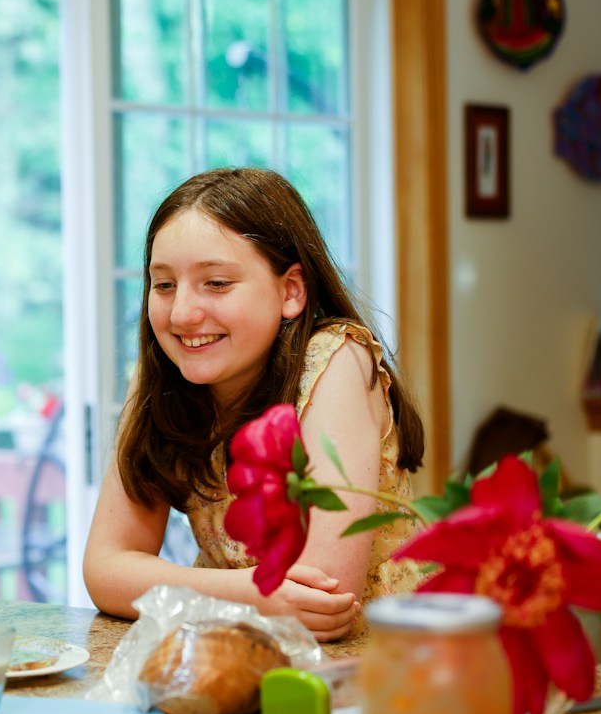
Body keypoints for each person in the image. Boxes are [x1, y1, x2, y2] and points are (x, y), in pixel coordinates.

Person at [82, 167, 424, 641]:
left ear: (291, 291)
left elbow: (324, 594)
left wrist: (189, 590)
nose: (181, 313)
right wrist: (258, 595)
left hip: (379, 666)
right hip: (242, 650)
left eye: (216, 283)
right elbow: (105, 570)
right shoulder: (160, 376)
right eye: (163, 285)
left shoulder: (337, 362)